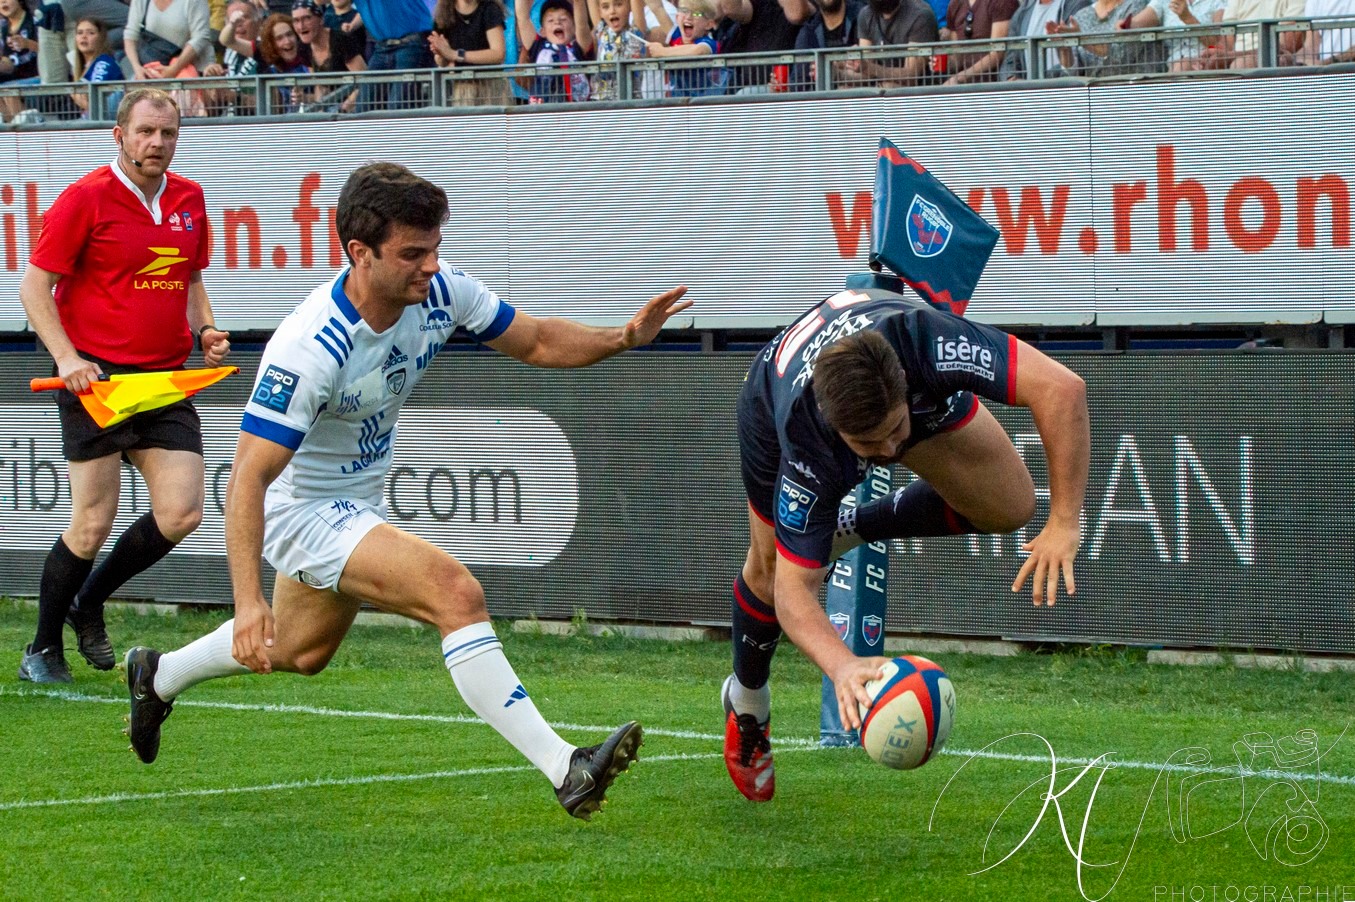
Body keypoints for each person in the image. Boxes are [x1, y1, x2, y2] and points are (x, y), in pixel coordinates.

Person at [122, 162, 692, 820]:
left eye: (435, 248)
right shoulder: (309, 346)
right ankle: (566, 767)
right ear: (359, 253)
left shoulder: (441, 292)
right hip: (300, 511)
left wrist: (622, 337)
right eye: (413, 253)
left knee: (300, 652)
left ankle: (158, 675)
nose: (431, 265)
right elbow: (248, 477)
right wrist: (247, 600)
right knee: (456, 593)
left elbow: (535, 340)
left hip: (357, 501)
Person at [721, 280, 1088, 801]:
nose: (889, 451)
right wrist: (843, 666)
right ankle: (747, 705)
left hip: (891, 366)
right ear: (838, 430)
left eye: (894, 430)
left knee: (1011, 506)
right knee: (770, 571)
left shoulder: (926, 342)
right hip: (771, 393)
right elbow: (792, 593)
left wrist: (1065, 521)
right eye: (868, 444)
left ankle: (854, 525)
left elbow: (1062, 389)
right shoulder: (810, 439)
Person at [17, 87, 230, 684]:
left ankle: (88, 601)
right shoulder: (84, 197)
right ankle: (42, 648)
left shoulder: (189, 197)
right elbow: (34, 288)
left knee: (182, 512)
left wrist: (206, 330)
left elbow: (189, 279)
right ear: (120, 135)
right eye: (145, 132)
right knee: (92, 521)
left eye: (168, 133)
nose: (157, 143)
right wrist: (67, 358)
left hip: (164, 380)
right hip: (98, 381)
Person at [428, 0, 509, 106]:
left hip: (491, 84)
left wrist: (455, 55)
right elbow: (442, 61)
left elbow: (498, 54)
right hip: (463, 86)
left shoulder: (490, 8)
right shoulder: (444, 12)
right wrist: (442, 53)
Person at [644, 0, 727, 96]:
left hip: (704, 101)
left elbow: (698, 50)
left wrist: (662, 51)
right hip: (678, 101)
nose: (688, 17)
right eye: (684, 11)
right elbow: (657, 8)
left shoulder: (709, 42)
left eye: (697, 13)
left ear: (709, 24)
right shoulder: (677, 36)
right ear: (677, 17)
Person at [514, 0, 592, 102]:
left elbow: (582, 24)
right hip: (543, 108)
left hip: (577, 108)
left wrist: (578, 2)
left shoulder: (579, 47)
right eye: (550, 20)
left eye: (563, 19)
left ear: (574, 28)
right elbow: (523, 18)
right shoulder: (537, 47)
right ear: (542, 31)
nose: (557, 22)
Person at [855, 0, 938, 88]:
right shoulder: (866, 14)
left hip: (921, 88)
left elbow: (911, 76)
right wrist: (850, 67)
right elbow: (865, 74)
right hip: (880, 84)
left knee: (888, 87)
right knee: (846, 88)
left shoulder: (920, 15)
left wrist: (869, 68)